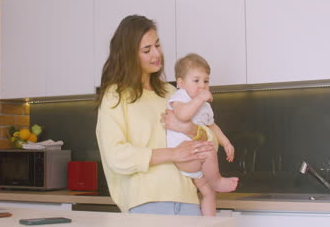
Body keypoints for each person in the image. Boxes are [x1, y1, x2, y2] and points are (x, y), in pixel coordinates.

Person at [95, 15, 216, 216]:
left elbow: (212, 140)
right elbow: (115, 155)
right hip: (147, 203)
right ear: (128, 55)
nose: (156, 54)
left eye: (157, 45)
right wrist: (173, 153)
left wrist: (189, 129)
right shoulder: (115, 96)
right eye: (147, 50)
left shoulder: (173, 93)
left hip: (188, 201)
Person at [166, 53, 238, 216]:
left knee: (209, 193)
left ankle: (208, 222)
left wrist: (225, 142)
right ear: (181, 83)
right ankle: (218, 180)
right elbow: (182, 115)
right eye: (196, 80)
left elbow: (212, 126)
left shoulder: (205, 106)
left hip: (197, 161)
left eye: (206, 81)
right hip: (184, 157)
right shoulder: (180, 97)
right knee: (208, 149)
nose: (202, 86)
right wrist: (199, 99)